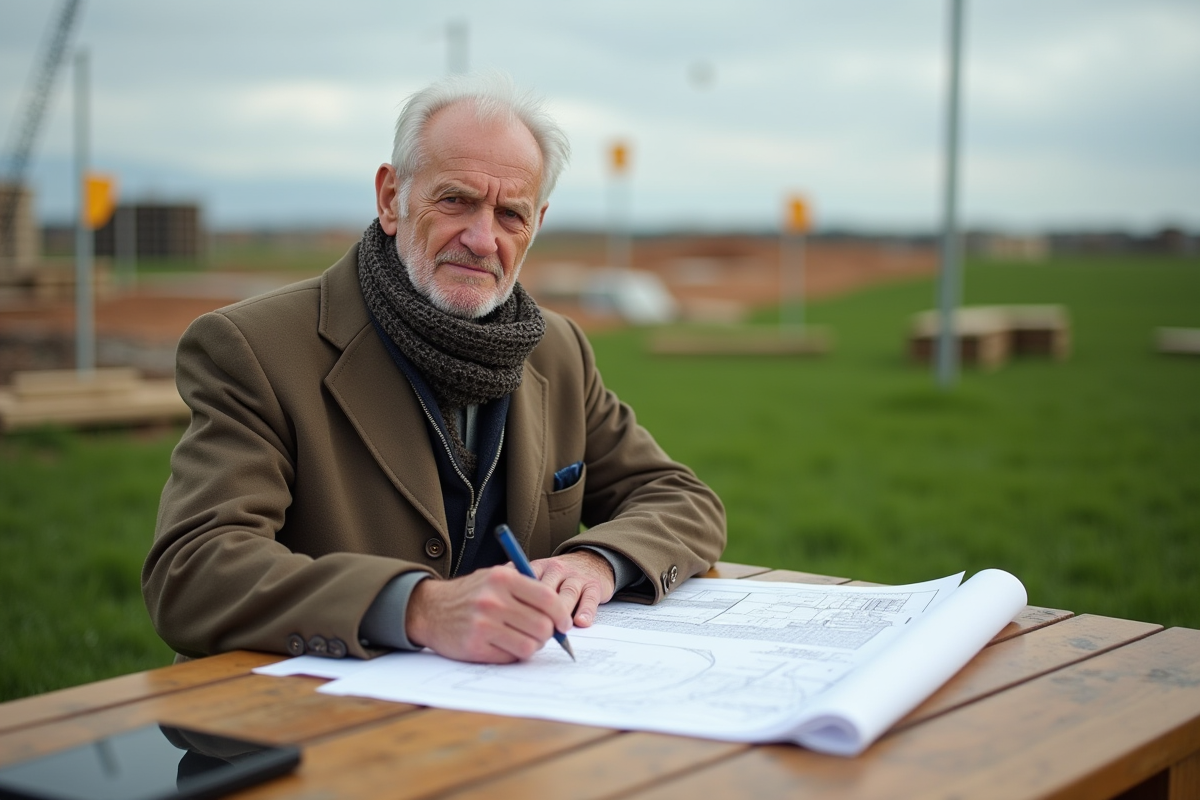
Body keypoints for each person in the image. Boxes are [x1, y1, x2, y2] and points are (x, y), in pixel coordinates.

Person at [142, 72, 726, 665]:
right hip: (312, 727)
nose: (480, 238)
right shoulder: (254, 348)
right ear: (391, 198)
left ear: (537, 226)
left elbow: (683, 499)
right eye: (456, 201)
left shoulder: (559, 350)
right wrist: (417, 608)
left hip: (515, 721)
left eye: (510, 215)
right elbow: (193, 569)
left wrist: (595, 562)